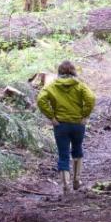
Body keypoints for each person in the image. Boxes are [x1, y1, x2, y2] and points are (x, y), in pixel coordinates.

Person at [36, 60, 96, 196]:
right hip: (77, 124)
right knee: (77, 149)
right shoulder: (79, 85)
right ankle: (76, 180)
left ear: (59, 72)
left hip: (60, 125)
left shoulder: (52, 86)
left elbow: (40, 99)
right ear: (73, 71)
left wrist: (51, 117)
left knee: (63, 154)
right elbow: (91, 98)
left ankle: (66, 186)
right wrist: (85, 115)